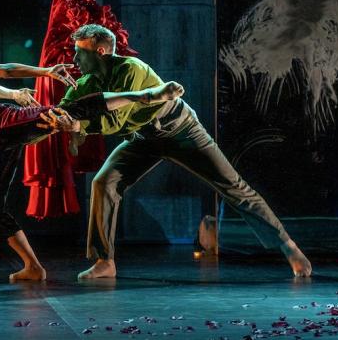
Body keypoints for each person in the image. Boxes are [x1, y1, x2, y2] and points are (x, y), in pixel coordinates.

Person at [61, 24, 312, 279]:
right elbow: (65, 109)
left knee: (233, 186)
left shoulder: (131, 68)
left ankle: (288, 246)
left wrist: (81, 125)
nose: (74, 58)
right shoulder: (88, 81)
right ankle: (104, 260)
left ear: (100, 52)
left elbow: (115, 121)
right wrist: (59, 120)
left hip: (182, 131)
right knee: (104, 183)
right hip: (145, 137)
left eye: (80, 52)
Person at [0, 25, 184, 281]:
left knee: (61, 113)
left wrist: (45, 71)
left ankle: (144, 96)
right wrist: (15, 94)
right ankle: (33, 267)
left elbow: (5, 71)